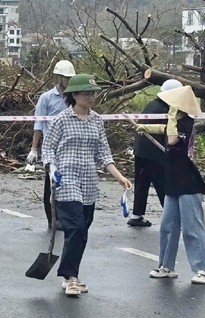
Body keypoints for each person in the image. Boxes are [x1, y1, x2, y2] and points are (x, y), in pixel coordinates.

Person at [42, 74, 132, 297]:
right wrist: (51, 168)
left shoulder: (97, 120)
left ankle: (70, 273)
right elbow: (48, 147)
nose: (91, 97)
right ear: (74, 95)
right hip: (66, 179)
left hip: (89, 182)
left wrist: (119, 176)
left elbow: (103, 153)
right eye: (86, 93)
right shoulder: (61, 119)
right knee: (75, 227)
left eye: (93, 93)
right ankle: (71, 277)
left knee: (83, 230)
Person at [150, 85, 205, 285]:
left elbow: (172, 138)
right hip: (173, 179)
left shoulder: (187, 123)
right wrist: (146, 128)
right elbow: (164, 130)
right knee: (167, 226)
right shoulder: (174, 122)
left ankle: (202, 269)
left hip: (188, 180)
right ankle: (166, 266)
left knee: (192, 227)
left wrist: (169, 118)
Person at [28, 60, 75, 231]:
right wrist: (34, 149)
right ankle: (52, 219)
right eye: (65, 77)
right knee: (51, 184)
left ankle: (65, 216)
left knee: (67, 183)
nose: (68, 80)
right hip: (51, 148)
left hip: (69, 147)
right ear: (58, 77)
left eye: (70, 77)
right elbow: (39, 124)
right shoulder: (46, 98)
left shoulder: (73, 97)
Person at [130, 79, 184, 227]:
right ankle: (172, 217)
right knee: (163, 183)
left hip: (141, 149)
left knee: (142, 183)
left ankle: (137, 215)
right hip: (155, 151)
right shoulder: (166, 109)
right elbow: (169, 132)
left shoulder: (153, 104)